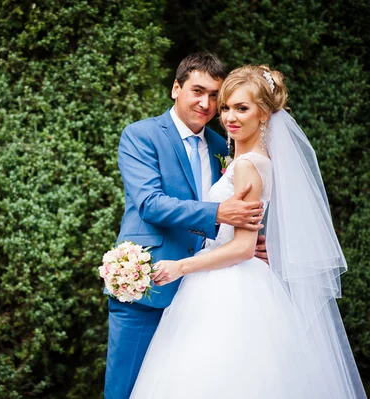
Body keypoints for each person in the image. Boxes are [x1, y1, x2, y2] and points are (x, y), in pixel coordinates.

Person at [130, 65, 367, 398]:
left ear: (265, 114)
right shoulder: (253, 159)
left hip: (227, 284)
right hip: (238, 278)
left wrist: (180, 267)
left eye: (242, 108)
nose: (229, 116)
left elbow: (242, 248)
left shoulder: (245, 166)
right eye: (226, 107)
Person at [105, 53, 268, 399]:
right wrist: (218, 214)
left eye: (214, 95)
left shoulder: (223, 145)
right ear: (175, 89)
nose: (206, 103)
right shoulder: (141, 135)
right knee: (126, 389)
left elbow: (249, 206)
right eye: (197, 91)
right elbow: (150, 203)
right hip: (150, 286)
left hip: (205, 293)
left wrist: (252, 242)